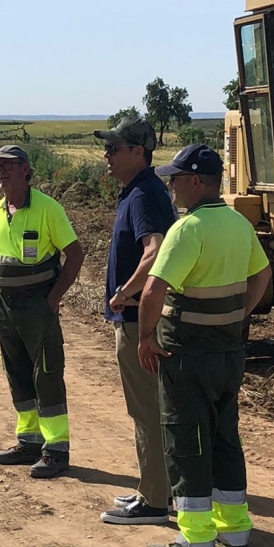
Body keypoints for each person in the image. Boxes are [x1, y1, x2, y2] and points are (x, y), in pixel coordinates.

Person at [136, 143, 271, 547]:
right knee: (224, 438)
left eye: (176, 179)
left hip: (187, 353)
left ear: (195, 181)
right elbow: (263, 273)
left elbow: (154, 290)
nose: (172, 187)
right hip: (229, 351)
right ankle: (235, 530)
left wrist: (145, 338)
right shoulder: (237, 223)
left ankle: (195, 542)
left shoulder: (187, 229)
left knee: (186, 441)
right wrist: (238, 314)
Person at [0, 145, 84, 478]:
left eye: (8, 166)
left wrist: (52, 299)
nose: (0, 172)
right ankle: (29, 442)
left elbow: (76, 254)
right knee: (18, 374)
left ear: (25, 169)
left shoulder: (48, 209)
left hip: (38, 307)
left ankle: (56, 450)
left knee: (46, 375)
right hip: (7, 309)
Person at [93, 115, 177, 525]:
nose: (106, 155)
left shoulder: (143, 195)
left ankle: (157, 502)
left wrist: (125, 293)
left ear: (137, 152)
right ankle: (153, 488)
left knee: (146, 409)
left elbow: (155, 250)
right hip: (136, 317)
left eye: (114, 148)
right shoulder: (139, 191)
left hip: (137, 319)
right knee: (149, 408)